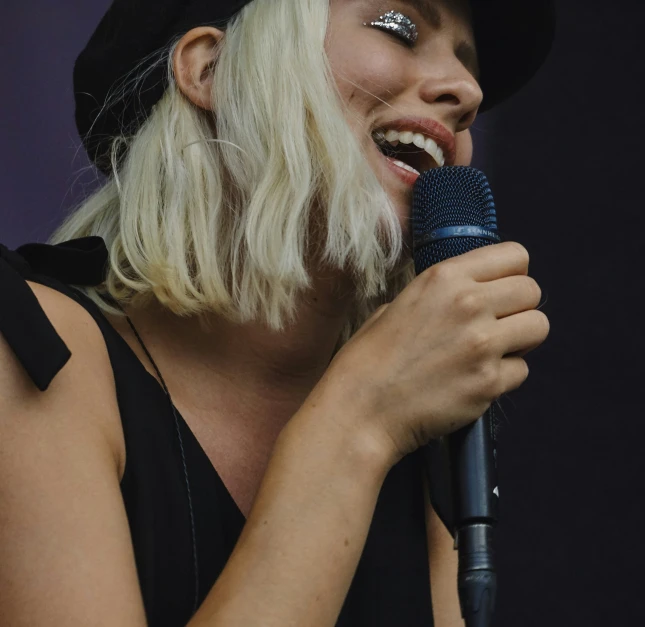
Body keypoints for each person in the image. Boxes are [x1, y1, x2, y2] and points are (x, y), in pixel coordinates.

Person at [0, 0, 554, 625]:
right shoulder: (35, 349)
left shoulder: (422, 430)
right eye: (400, 27)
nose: (468, 90)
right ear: (212, 71)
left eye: (465, 61)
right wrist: (358, 419)